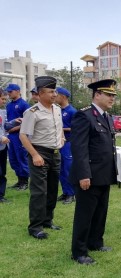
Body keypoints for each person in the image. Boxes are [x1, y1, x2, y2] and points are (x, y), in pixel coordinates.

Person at [70, 79, 118, 265]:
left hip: (103, 174)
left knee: (100, 212)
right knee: (85, 214)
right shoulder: (84, 116)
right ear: (97, 94)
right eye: (108, 94)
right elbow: (79, 148)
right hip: (89, 175)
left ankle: (95, 241)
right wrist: (83, 174)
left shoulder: (107, 117)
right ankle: (79, 252)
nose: (112, 98)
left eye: (114, 95)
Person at [19, 76, 64, 239]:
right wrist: (35, 155)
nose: (54, 94)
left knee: (52, 189)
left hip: (55, 154)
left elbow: (58, 128)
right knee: (39, 191)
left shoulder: (57, 109)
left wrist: (62, 139)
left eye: (55, 91)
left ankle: (47, 220)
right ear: (41, 93)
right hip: (39, 153)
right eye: (51, 91)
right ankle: (35, 227)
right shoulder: (32, 112)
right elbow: (23, 135)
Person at [5, 83, 30, 190]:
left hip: (20, 135)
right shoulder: (9, 105)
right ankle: (19, 180)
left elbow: (28, 121)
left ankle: (24, 182)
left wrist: (14, 129)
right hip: (10, 136)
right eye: (8, 92)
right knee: (13, 158)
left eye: (11, 91)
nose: (9, 93)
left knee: (21, 157)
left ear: (18, 91)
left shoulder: (24, 104)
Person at [55, 87, 77, 204]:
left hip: (68, 143)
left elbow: (76, 128)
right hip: (59, 144)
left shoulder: (72, 111)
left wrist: (60, 128)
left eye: (57, 95)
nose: (54, 96)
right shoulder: (58, 111)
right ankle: (65, 192)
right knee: (60, 169)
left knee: (68, 169)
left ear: (63, 96)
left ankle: (71, 194)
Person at [0, 89, 10, 203]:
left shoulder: (2, 112)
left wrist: (14, 122)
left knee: (2, 172)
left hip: (2, 148)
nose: (4, 102)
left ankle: (1, 195)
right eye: (2, 99)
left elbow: (3, 126)